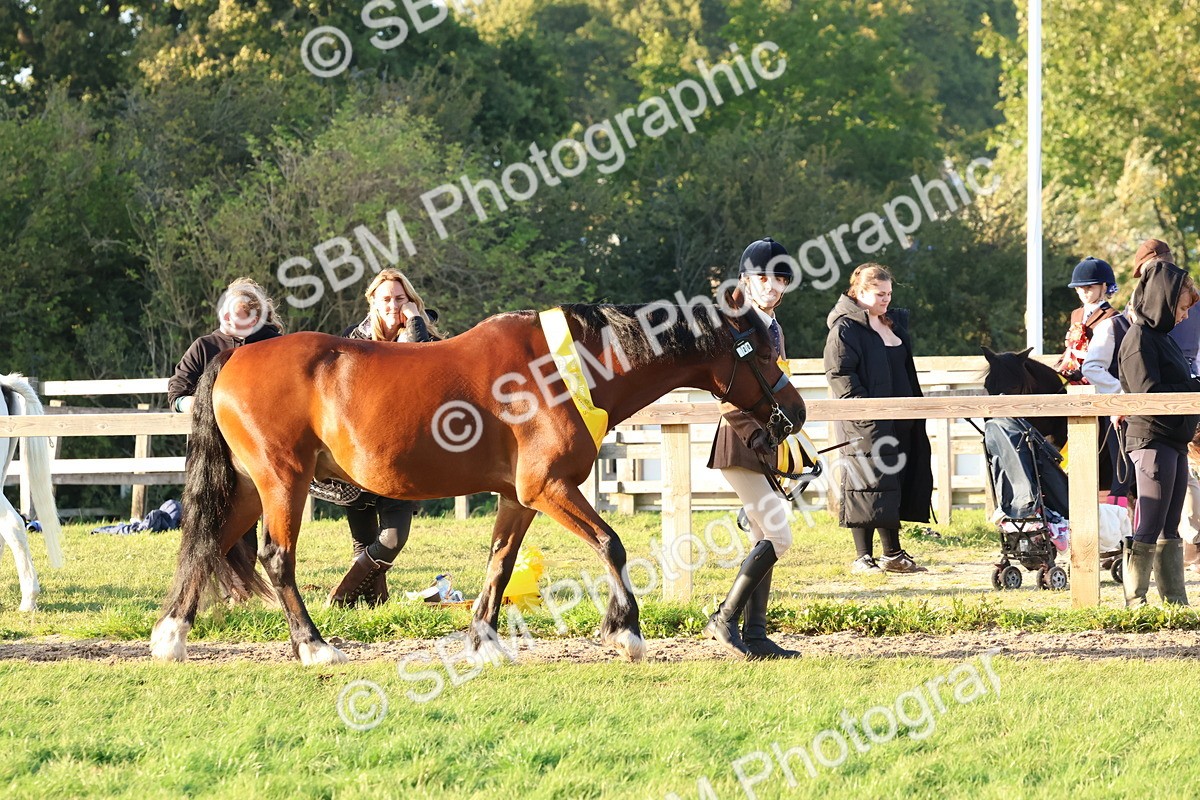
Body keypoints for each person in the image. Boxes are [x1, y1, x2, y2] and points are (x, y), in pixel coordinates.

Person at [703, 237, 800, 660]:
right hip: (741, 442)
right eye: (763, 278)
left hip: (768, 443)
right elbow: (723, 391)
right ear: (745, 280)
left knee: (763, 535)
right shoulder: (736, 324)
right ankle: (724, 618)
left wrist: (789, 440)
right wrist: (753, 433)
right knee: (779, 535)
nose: (773, 287)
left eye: (780, 279)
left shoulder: (774, 326)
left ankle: (756, 634)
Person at [327, 268, 441, 607]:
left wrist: (415, 320)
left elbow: (425, 364)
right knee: (363, 544)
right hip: (359, 452)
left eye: (400, 298)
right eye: (386, 299)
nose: (393, 305)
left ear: (411, 301)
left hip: (404, 452)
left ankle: (340, 597)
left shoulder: (425, 335)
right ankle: (376, 606)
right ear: (373, 303)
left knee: (392, 539)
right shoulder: (352, 340)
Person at [167, 277, 284, 596]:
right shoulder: (205, 346)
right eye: (227, 311)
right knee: (210, 515)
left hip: (259, 449)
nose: (229, 318)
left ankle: (242, 589)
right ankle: (215, 587)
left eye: (240, 314)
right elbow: (176, 393)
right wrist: (199, 403)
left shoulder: (274, 345)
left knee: (250, 519)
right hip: (212, 448)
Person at [824, 263, 933, 574]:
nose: (886, 299)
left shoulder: (892, 324)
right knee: (865, 484)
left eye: (889, 293)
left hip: (902, 420)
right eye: (879, 294)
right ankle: (863, 557)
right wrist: (866, 413)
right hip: (866, 421)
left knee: (891, 484)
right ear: (859, 292)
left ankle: (892, 554)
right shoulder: (845, 329)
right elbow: (840, 374)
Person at [1118, 242, 1200, 607]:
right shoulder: (1138, 341)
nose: (1185, 316)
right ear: (1164, 301)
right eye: (1182, 308)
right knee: (1150, 522)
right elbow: (1148, 394)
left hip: (1173, 441)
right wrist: (1194, 388)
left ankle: (1174, 600)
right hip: (1152, 439)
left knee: (1169, 525)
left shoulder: (1161, 340)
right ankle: (1135, 600)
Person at [1056, 257, 1131, 503]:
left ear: (1104, 287)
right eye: (1079, 288)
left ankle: (1119, 497)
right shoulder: (1076, 314)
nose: (1083, 292)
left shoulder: (1113, 317)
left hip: (1105, 385)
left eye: (1089, 287)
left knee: (1115, 446)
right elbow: (1071, 348)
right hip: (1078, 389)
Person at [167, 277, 284, 413]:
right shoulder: (203, 347)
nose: (224, 316)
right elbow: (176, 396)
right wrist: (197, 406)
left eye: (233, 314)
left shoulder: (276, 346)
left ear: (252, 321)